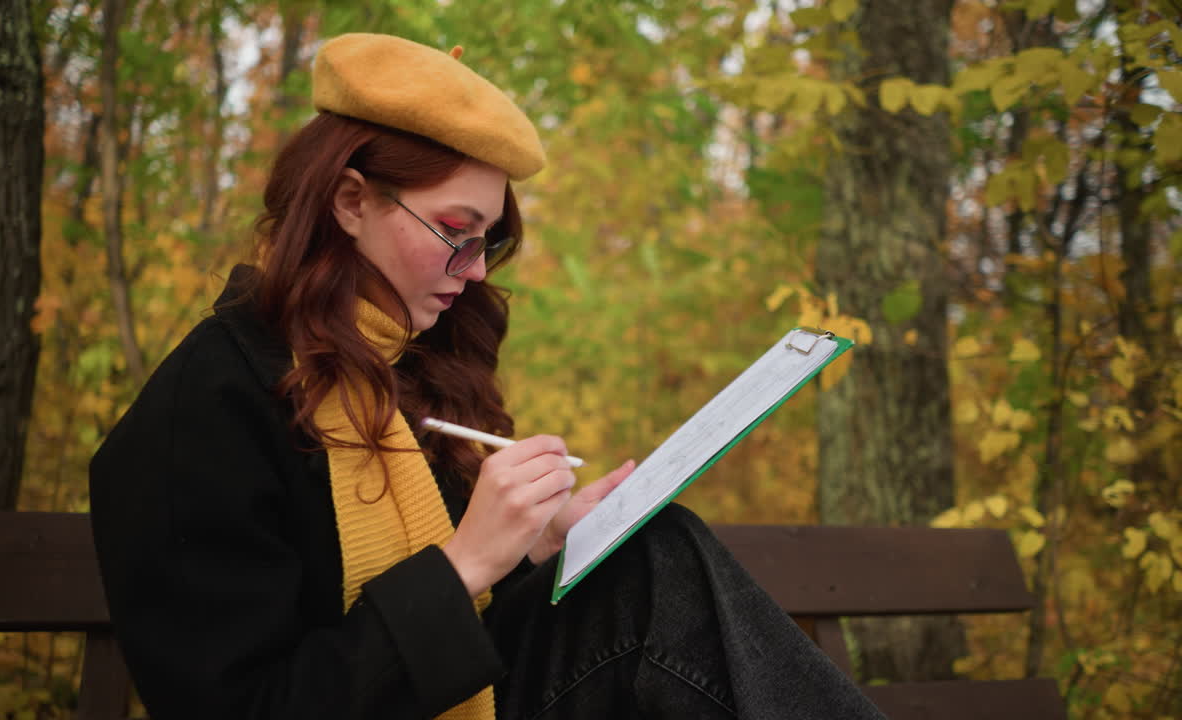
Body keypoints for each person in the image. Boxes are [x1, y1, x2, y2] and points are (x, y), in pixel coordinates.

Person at [88, 32, 887, 720]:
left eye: (488, 244)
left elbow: (461, 637)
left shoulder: (408, 373)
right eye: (455, 233)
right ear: (350, 200)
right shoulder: (202, 411)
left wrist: (536, 546)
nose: (472, 275)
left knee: (653, 555)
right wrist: (465, 563)